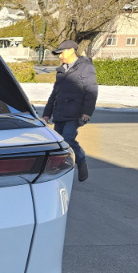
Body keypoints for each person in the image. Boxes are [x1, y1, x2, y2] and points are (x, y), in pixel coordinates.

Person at [42, 39, 98, 182]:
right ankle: (60, 168)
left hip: (75, 112)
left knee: (68, 138)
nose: (60, 56)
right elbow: (54, 94)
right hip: (60, 112)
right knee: (59, 142)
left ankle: (81, 160)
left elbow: (91, 90)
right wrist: (47, 114)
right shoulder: (61, 70)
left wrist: (87, 112)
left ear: (71, 50)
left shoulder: (86, 67)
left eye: (61, 53)